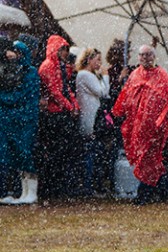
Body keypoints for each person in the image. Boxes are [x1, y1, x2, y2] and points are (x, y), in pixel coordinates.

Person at [114, 44, 168, 205]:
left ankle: (145, 193)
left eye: (148, 55)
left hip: (153, 127)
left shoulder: (162, 77)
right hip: (138, 125)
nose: (145, 58)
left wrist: (159, 121)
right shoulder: (135, 75)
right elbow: (126, 95)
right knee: (148, 159)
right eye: (142, 55)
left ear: (154, 56)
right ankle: (163, 189)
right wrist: (118, 112)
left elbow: (167, 101)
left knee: (149, 158)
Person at [38, 34, 81, 198]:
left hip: (61, 113)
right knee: (56, 152)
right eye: (63, 49)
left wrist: (74, 105)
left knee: (62, 152)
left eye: (66, 50)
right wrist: (71, 107)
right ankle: (52, 188)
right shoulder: (49, 66)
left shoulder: (59, 66)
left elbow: (64, 89)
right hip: (54, 115)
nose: (65, 53)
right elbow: (55, 91)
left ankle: (57, 187)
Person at [0, 39, 41, 205]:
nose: (14, 56)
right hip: (18, 120)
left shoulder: (30, 73)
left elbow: (19, 97)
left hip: (26, 120)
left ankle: (31, 192)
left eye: (17, 53)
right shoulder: (16, 73)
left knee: (25, 153)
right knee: (19, 155)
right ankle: (25, 193)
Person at [74, 47, 110, 196]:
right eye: (98, 60)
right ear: (89, 60)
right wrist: (106, 76)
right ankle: (88, 185)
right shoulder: (84, 75)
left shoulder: (90, 75)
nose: (100, 63)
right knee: (90, 152)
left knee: (93, 152)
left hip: (92, 117)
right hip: (89, 118)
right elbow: (103, 92)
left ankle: (91, 184)